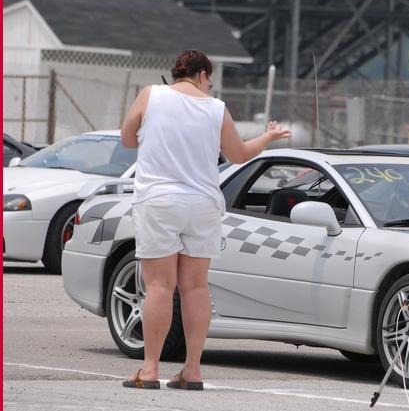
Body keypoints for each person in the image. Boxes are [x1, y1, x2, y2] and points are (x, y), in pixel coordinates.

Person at [119, 49, 291, 389]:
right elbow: (239, 154)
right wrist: (268, 137)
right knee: (195, 286)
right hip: (203, 203)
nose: (208, 89)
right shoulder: (216, 108)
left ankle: (150, 369)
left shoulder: (151, 94)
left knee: (159, 286)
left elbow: (126, 139)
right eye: (209, 82)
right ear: (201, 75)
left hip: (159, 200)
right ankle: (192, 370)